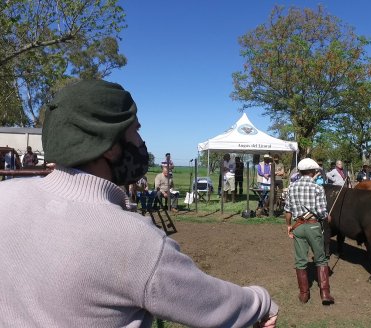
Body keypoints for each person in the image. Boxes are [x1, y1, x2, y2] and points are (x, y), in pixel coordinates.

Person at [0, 80, 278, 327]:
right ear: (108, 145)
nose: (142, 143)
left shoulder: (6, 196)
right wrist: (262, 301)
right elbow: (214, 305)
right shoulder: (134, 240)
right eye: (136, 131)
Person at [284, 158, 335, 306]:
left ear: (300, 172)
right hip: (313, 226)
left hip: (298, 226)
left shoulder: (292, 187)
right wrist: (327, 216)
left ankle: (304, 294)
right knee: (321, 259)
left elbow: (287, 211)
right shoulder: (318, 188)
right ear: (313, 172)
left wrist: (288, 226)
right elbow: (322, 213)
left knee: (300, 260)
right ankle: (325, 293)